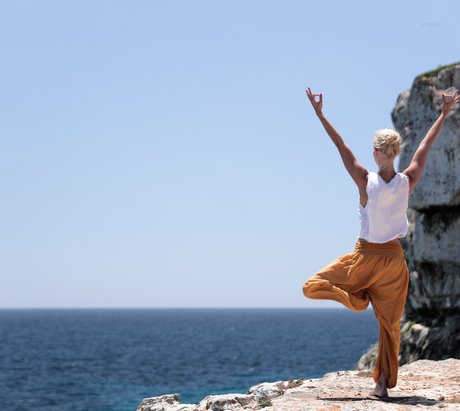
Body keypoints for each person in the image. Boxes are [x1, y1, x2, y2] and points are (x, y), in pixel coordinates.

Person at [302, 87, 459, 398]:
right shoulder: (408, 180)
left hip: (365, 260)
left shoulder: (364, 179)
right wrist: (443, 114)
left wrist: (320, 114)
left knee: (312, 285)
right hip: (393, 264)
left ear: (376, 152)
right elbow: (425, 147)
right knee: (389, 327)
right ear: (396, 153)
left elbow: (340, 145)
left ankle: (357, 301)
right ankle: (380, 386)